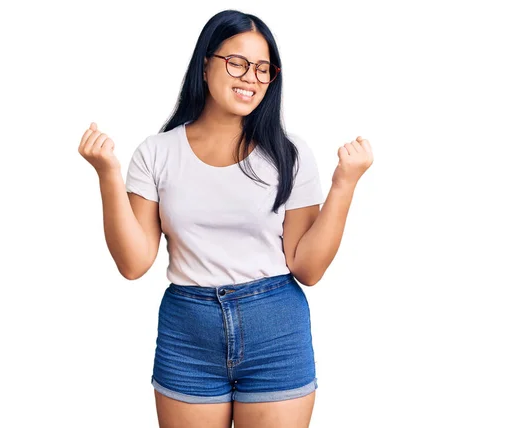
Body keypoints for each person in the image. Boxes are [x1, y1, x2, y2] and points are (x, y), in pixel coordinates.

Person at [78, 9, 373, 428]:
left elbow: (307, 268)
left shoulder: (289, 154)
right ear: (205, 64)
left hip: (276, 328)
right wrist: (107, 172)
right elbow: (133, 262)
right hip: (188, 333)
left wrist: (345, 183)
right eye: (237, 62)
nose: (250, 77)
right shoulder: (157, 153)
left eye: (262, 68)